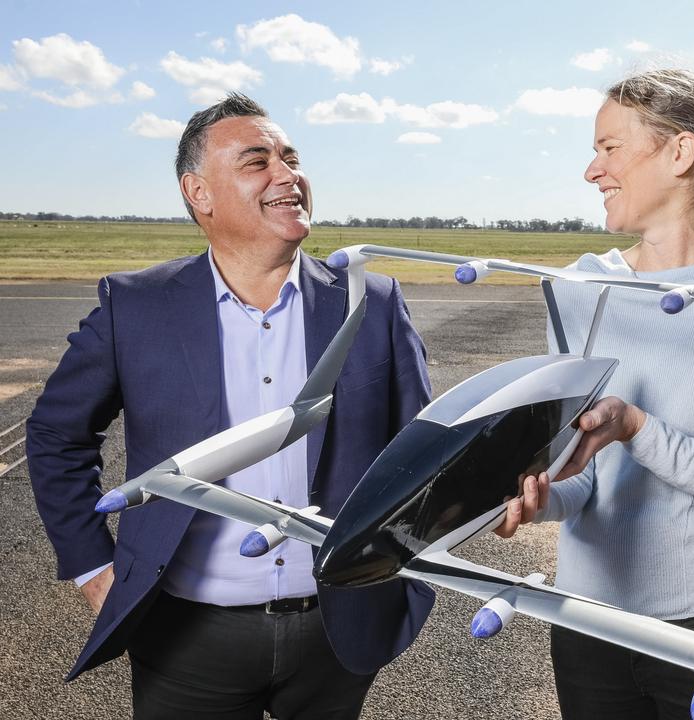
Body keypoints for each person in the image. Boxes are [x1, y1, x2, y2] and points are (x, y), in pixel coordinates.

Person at [26, 93, 435, 719]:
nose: (286, 174)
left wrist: (406, 571)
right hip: (186, 636)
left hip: (339, 630)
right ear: (200, 193)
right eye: (256, 161)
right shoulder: (134, 306)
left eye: (290, 157)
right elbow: (57, 434)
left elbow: (423, 450)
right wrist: (91, 566)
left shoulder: (372, 302)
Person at [495, 68, 694, 719]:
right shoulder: (575, 288)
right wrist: (537, 498)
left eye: (609, 148)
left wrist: (636, 426)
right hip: (589, 627)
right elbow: (585, 484)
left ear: (680, 151)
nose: (592, 171)